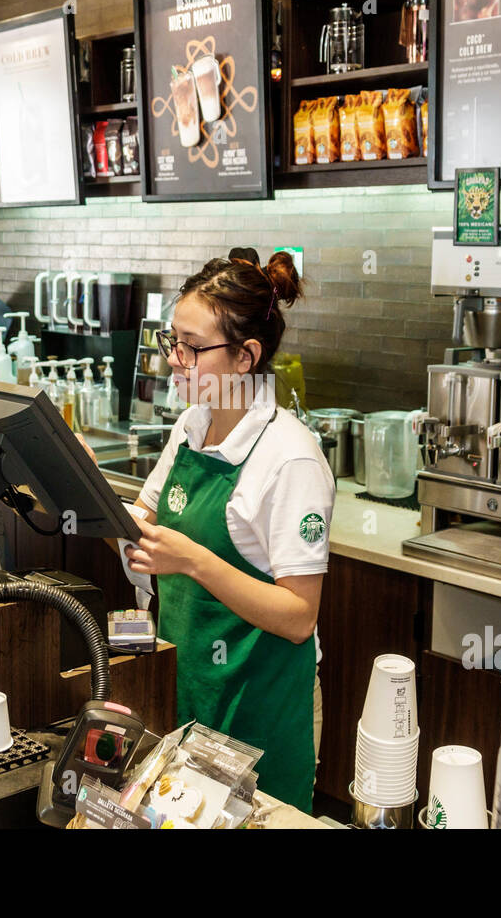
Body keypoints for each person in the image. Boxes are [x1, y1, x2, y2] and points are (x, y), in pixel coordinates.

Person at [118, 249, 334, 813]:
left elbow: (298, 616)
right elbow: (143, 520)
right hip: (192, 687)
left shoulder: (290, 460)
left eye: (191, 348)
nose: (174, 360)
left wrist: (191, 560)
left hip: (260, 706)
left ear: (246, 357)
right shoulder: (193, 424)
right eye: (172, 343)